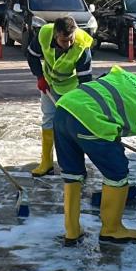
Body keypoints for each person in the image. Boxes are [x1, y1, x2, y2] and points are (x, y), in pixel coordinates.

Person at [53, 67, 136, 245]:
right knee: (117, 171)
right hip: (91, 119)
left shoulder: (123, 75)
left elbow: (105, 93)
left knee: (72, 173)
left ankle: (72, 231)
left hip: (64, 109)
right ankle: (112, 229)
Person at [25, 16, 93, 177]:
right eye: (64, 41)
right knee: (48, 119)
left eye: (71, 39)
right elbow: (32, 55)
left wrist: (83, 100)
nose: (68, 44)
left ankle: (77, 166)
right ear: (56, 35)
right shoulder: (44, 33)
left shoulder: (82, 44)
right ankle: (46, 163)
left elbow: (85, 77)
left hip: (72, 87)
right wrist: (39, 76)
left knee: (72, 124)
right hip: (49, 83)